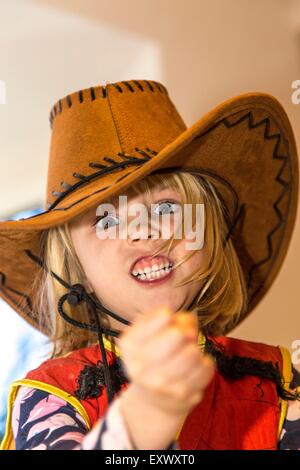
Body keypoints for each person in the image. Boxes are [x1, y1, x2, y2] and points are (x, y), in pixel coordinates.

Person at [0, 79, 299, 450]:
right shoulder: (52, 395)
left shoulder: (276, 377)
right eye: (107, 221)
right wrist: (146, 415)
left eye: (167, 209)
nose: (144, 231)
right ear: (76, 272)